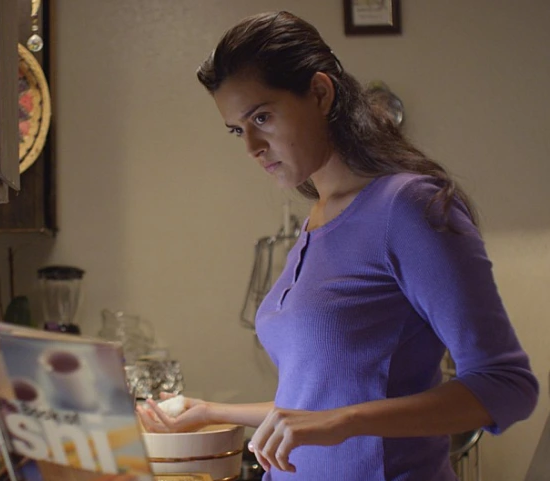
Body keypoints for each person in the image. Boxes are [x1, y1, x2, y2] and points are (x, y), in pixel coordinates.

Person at [136, 11, 539, 481]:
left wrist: (341, 422)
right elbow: (317, 409)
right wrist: (210, 411)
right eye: (237, 130)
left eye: (262, 117)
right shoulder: (316, 220)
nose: (252, 146)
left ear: (320, 93)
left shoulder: (407, 207)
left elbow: (506, 385)